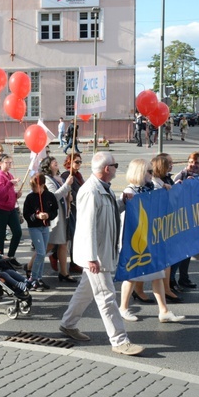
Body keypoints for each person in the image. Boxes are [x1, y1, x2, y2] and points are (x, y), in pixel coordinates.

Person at [59, 151, 145, 356]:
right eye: (115, 165)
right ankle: (119, 340)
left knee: (85, 292)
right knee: (106, 297)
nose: (117, 168)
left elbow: (108, 212)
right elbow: (86, 226)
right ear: (107, 169)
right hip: (96, 255)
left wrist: (123, 202)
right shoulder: (91, 191)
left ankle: (68, 324)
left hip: (101, 252)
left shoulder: (102, 189)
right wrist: (91, 257)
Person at [117, 159, 184, 323]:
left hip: (151, 238)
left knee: (158, 273)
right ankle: (123, 307)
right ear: (140, 172)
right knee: (132, 275)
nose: (152, 174)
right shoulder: (129, 191)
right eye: (148, 171)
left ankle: (164, 310)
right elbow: (126, 220)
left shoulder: (152, 188)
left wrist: (166, 190)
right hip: (136, 241)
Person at [170, 151, 199, 289]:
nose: (193, 165)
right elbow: (172, 194)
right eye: (191, 162)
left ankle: (184, 277)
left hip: (195, 217)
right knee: (180, 249)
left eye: (197, 162)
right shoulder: (182, 175)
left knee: (188, 250)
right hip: (181, 218)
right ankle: (171, 278)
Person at [150, 153, 182, 301]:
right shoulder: (154, 183)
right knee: (160, 261)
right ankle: (137, 291)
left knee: (166, 259)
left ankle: (166, 288)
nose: (171, 166)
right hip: (158, 225)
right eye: (168, 163)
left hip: (167, 222)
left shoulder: (166, 180)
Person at [41, 156, 76, 283]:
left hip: (65, 214)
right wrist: (67, 185)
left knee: (63, 243)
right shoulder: (47, 179)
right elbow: (53, 196)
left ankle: (64, 272)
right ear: (47, 166)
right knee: (50, 244)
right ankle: (30, 266)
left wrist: (69, 195)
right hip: (57, 216)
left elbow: (65, 193)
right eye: (52, 162)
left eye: (56, 161)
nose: (56, 162)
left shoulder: (59, 178)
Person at [23, 173, 58, 291]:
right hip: (34, 227)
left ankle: (39, 278)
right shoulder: (30, 197)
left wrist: (48, 215)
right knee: (41, 252)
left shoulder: (50, 196)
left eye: (35, 187)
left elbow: (55, 211)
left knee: (42, 254)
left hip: (45, 227)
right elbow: (26, 214)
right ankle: (33, 278)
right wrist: (36, 216)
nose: (33, 189)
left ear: (42, 185)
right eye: (32, 187)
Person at [0, 154, 22, 265]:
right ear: (0, 163)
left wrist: (16, 194)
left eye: (10, 163)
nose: (9, 165)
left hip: (11, 208)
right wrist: (10, 184)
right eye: (7, 163)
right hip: (1, 209)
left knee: (17, 232)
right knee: (1, 234)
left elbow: (8, 192)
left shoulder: (9, 174)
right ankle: (0, 259)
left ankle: (10, 256)